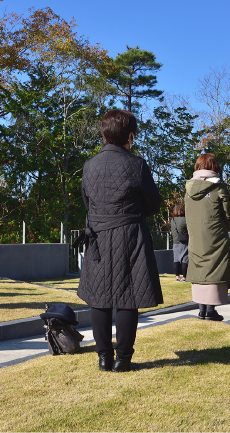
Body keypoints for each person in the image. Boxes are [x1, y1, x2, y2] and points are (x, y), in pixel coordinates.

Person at [76, 110, 162, 372]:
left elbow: (87, 201)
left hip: (99, 238)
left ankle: (104, 357)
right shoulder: (136, 164)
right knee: (128, 296)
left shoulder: (89, 165)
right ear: (130, 135)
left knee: (99, 297)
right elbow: (153, 203)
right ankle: (123, 359)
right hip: (130, 236)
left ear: (104, 133)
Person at [185, 154, 230, 321]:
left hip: (195, 235)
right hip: (215, 233)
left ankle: (201, 309)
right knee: (215, 266)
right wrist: (225, 228)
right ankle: (211, 309)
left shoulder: (189, 189)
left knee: (199, 266)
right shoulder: (218, 187)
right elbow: (228, 212)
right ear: (214, 167)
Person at [170, 202, 189, 282]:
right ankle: (185, 277)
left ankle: (177, 277)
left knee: (176, 260)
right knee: (185, 259)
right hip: (183, 242)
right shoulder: (185, 219)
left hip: (175, 242)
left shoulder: (172, 220)